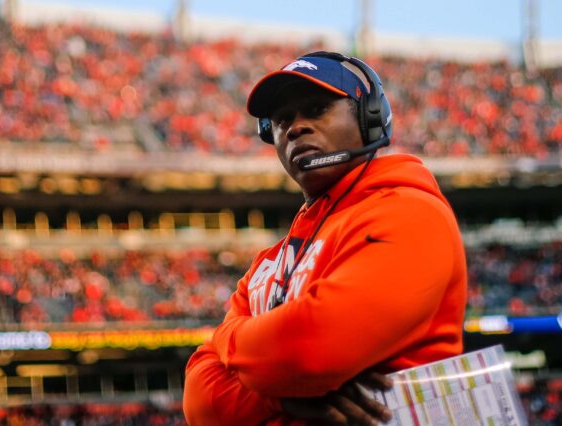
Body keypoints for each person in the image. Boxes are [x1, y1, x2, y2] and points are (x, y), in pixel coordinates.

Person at [183, 51, 467, 425]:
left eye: (316, 109)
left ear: (370, 117)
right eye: (282, 120)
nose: (294, 128)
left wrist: (227, 336)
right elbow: (200, 404)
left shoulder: (411, 214)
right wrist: (279, 401)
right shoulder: (270, 260)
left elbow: (307, 353)